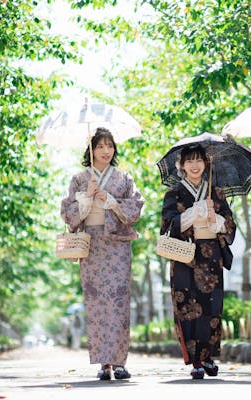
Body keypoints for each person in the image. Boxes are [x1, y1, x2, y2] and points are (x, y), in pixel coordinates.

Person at [61, 127, 144, 381]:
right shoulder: (79, 178)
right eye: (100, 146)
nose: (106, 151)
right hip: (92, 244)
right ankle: (104, 363)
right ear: (91, 149)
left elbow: (136, 207)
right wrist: (87, 197)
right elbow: (68, 213)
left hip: (117, 245)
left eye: (110, 146)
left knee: (118, 300)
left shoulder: (124, 178)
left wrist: (110, 201)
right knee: (96, 302)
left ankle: (119, 361)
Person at [161, 144, 236, 380]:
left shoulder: (217, 192)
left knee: (211, 305)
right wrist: (195, 212)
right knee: (187, 306)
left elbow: (231, 228)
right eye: (189, 161)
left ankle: (208, 356)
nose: (195, 165)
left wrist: (217, 218)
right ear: (181, 165)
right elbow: (168, 226)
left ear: (206, 164)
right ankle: (194, 359)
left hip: (210, 252)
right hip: (184, 254)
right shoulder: (173, 194)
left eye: (199, 161)